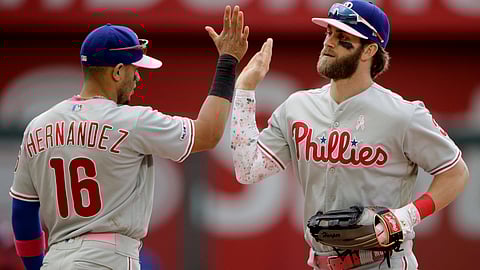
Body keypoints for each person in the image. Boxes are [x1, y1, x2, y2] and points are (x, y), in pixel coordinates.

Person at [9, 5, 270, 269]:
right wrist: (228, 61)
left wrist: (35, 267)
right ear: (118, 71)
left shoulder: (38, 126)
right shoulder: (131, 121)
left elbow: (22, 213)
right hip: (107, 258)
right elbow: (208, 133)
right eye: (135, 68)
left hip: (55, 259)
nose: (138, 77)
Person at [230, 1, 469, 269]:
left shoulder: (403, 115)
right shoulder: (297, 107)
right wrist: (244, 90)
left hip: (382, 260)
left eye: (343, 38)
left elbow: (456, 172)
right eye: (329, 33)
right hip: (321, 262)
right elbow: (248, 170)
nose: (329, 43)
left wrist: (410, 214)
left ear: (369, 50)